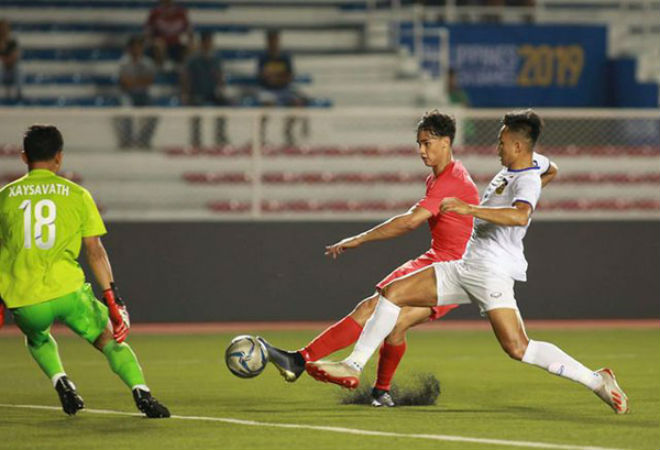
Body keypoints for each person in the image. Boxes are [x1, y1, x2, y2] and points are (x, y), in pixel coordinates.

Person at [305, 110, 630, 415]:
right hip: (464, 267)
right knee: (392, 293)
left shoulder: (525, 181)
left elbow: (520, 215)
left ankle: (595, 380)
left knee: (518, 348)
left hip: (491, 273)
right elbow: (552, 169)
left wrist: (469, 209)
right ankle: (353, 365)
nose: (497, 148)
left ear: (518, 146)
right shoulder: (527, 166)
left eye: (502, 143)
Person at [260, 111, 480, 407]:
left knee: (373, 308)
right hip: (449, 266)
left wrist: (359, 239)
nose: (421, 150)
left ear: (446, 142)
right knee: (395, 325)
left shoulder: (450, 180)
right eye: (419, 143)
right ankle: (381, 393)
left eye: (427, 143)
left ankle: (298, 360)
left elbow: (408, 222)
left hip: (447, 268)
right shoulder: (441, 178)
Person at [0, 125, 170, 418]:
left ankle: (61, 381)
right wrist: (112, 297)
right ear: (59, 158)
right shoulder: (77, 195)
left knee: (37, 338)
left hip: (26, 298)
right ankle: (141, 392)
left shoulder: (5, 197)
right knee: (109, 340)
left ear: (24, 156)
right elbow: (95, 251)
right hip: (69, 292)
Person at [256, 29, 308, 146]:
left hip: (283, 90)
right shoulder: (263, 58)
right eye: (271, 41)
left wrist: (275, 78)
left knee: (297, 103)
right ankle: (261, 136)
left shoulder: (285, 57)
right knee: (266, 105)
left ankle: (288, 131)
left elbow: (289, 76)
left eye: (275, 40)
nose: (273, 43)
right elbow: (263, 77)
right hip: (267, 89)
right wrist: (277, 78)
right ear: (267, 42)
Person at [181, 31, 230, 146]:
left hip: (212, 92)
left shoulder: (215, 59)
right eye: (206, 42)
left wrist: (222, 86)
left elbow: (220, 76)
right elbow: (186, 76)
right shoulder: (192, 59)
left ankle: (220, 136)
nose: (208, 44)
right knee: (196, 106)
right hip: (197, 92)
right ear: (201, 43)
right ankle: (196, 138)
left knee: (224, 103)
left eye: (210, 42)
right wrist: (185, 93)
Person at [115, 36, 158, 149]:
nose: (136, 49)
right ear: (129, 48)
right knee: (126, 109)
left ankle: (143, 140)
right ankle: (127, 141)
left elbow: (149, 81)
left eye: (139, 47)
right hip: (128, 93)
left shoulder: (148, 62)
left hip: (143, 94)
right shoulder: (123, 62)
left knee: (154, 113)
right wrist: (140, 81)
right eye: (134, 47)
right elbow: (124, 82)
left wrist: (133, 81)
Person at [144, 0, 192, 68]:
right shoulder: (155, 13)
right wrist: (151, 40)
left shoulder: (180, 12)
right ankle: (160, 68)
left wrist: (190, 41)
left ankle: (184, 68)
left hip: (176, 42)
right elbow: (148, 30)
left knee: (191, 46)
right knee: (159, 45)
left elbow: (188, 29)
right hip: (161, 42)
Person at [0, 19, 22, 101]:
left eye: (5, 28)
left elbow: (16, 55)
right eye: (2, 28)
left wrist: (7, 59)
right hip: (2, 68)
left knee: (19, 68)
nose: (3, 31)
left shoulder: (12, 41)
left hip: (11, 68)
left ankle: (19, 92)